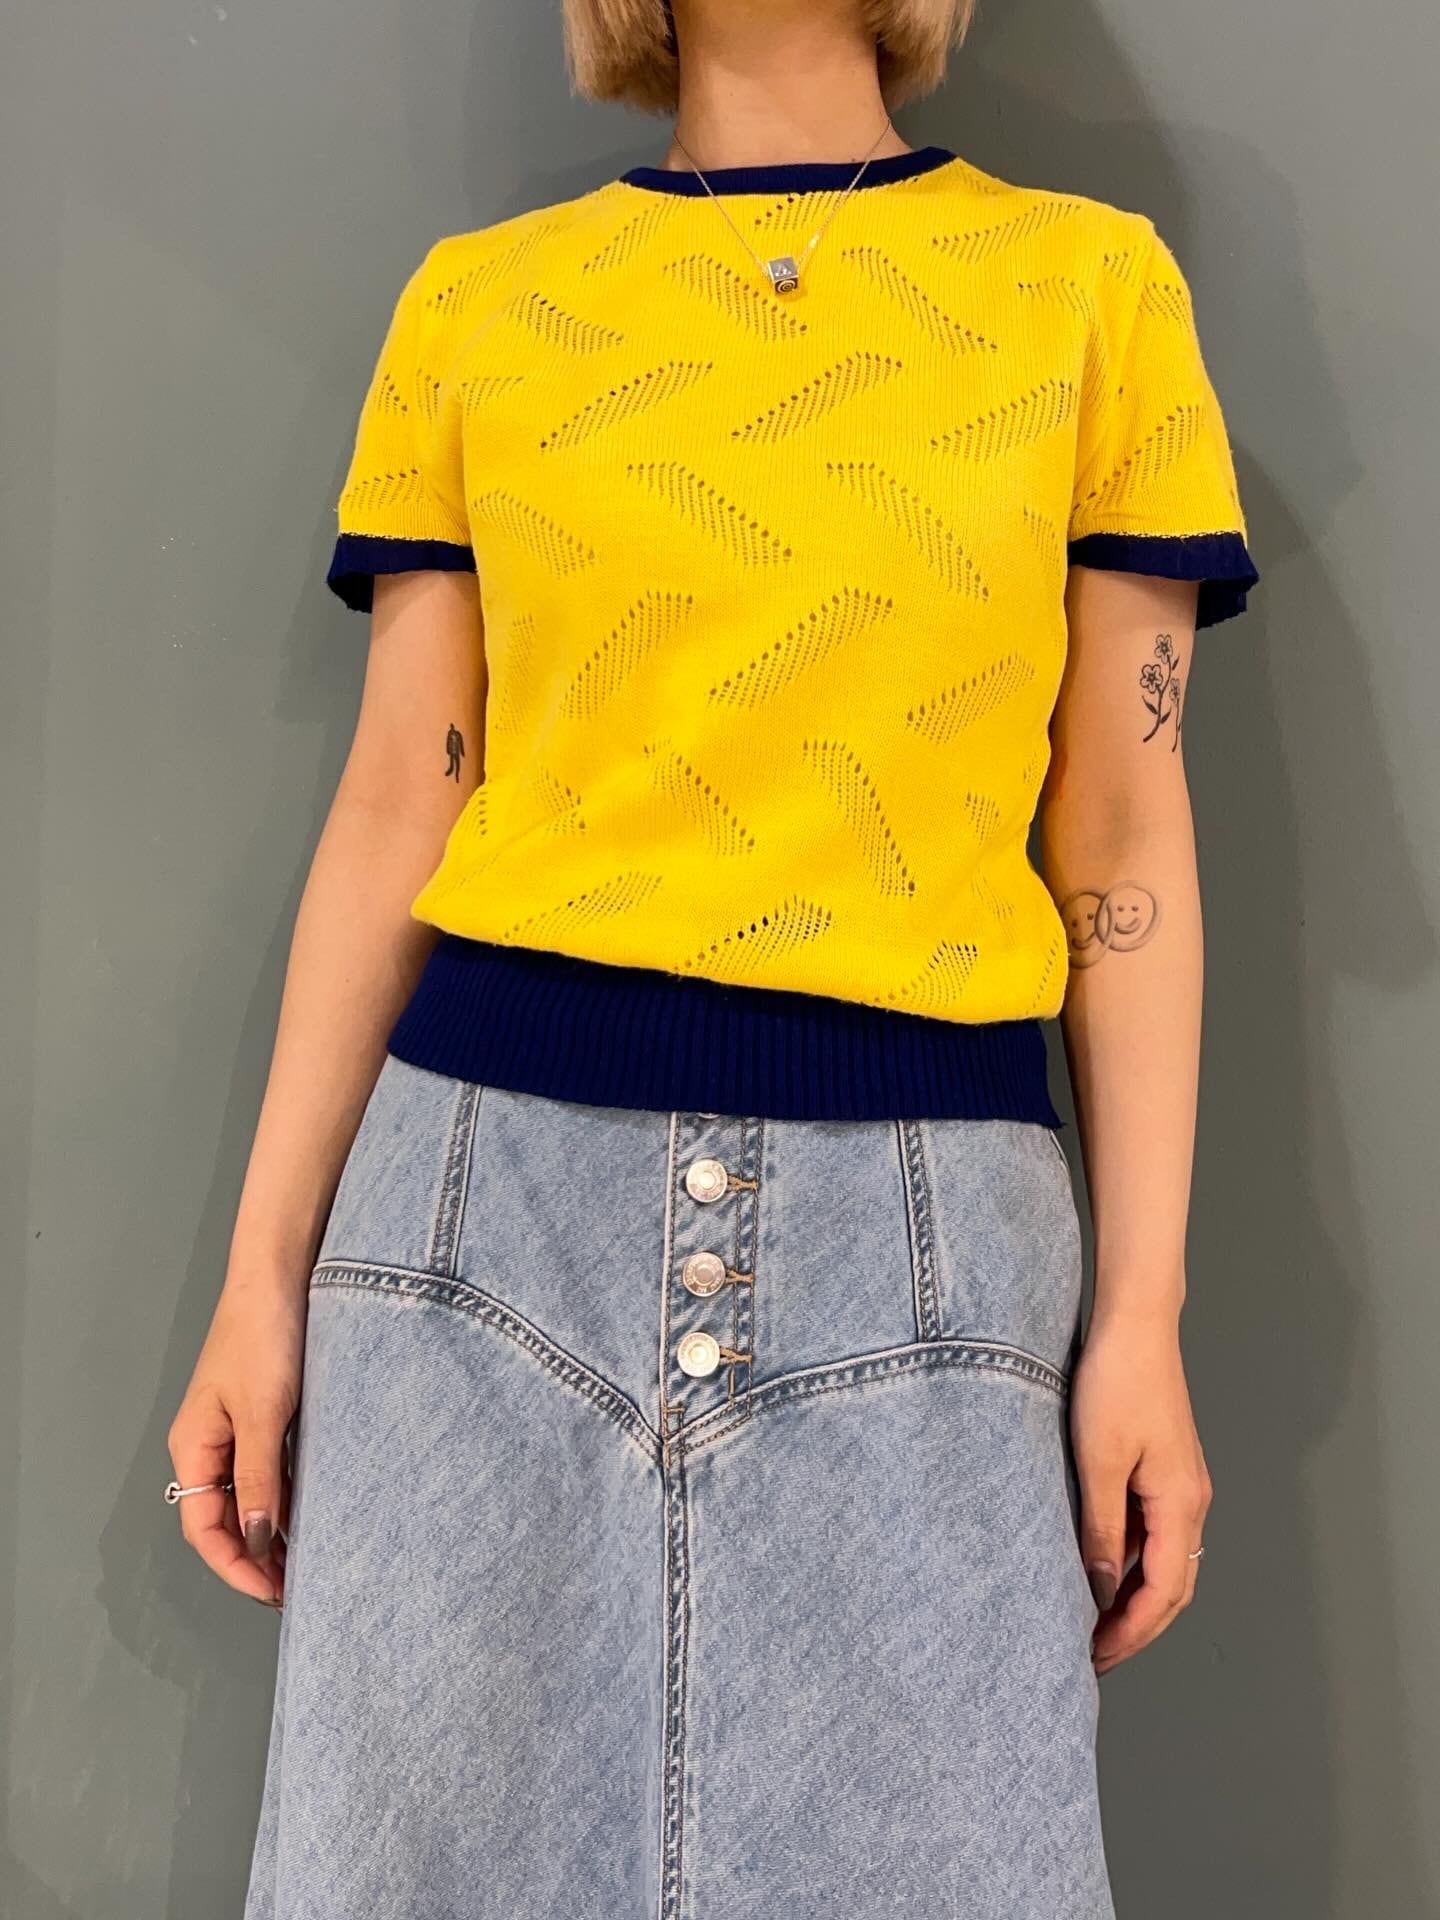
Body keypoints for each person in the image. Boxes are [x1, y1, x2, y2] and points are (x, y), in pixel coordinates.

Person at [166, 0, 1260, 1912]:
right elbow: (401, 805)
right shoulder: (482, 303)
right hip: (477, 1233)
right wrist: (260, 1282)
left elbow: (1121, 837)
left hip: (928, 1242)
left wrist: (1141, 1318)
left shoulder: (1090, 290)